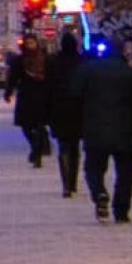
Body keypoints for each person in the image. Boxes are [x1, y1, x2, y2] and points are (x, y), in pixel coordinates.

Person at [72, 29, 132, 224]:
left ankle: (99, 193)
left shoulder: (88, 71)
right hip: (124, 129)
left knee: (94, 168)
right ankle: (121, 210)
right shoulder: (131, 73)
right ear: (123, 52)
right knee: (125, 172)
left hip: (95, 129)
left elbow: (73, 93)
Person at [47, 30, 89, 198]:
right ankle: (73, 182)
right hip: (79, 109)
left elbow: (48, 88)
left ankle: (65, 185)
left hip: (59, 109)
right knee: (75, 147)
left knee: (63, 146)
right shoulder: (82, 62)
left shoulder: (54, 63)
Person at [3, 36, 54, 168]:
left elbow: (52, 77)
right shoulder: (19, 60)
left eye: (32, 42)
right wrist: (8, 92)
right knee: (26, 126)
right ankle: (35, 148)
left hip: (42, 95)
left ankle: (36, 153)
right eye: (28, 43)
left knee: (39, 125)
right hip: (26, 95)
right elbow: (13, 78)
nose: (30, 45)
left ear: (36, 43)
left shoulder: (45, 59)